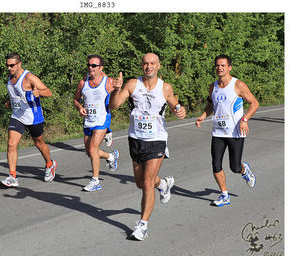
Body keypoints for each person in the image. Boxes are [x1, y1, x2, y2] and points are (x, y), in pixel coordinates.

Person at [109, 53, 186, 240]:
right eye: (145, 63)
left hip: (157, 139)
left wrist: (180, 110)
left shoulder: (165, 87)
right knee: (140, 182)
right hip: (135, 138)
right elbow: (114, 106)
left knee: (147, 183)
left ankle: (143, 224)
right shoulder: (132, 84)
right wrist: (115, 90)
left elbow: (176, 105)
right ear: (141, 65)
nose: (148, 66)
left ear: (158, 66)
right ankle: (164, 185)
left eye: (152, 63)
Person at [195, 54, 259, 207]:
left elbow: (254, 103)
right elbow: (211, 106)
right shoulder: (213, 87)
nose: (220, 68)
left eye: (223, 65)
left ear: (229, 67)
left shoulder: (238, 85)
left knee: (234, 167)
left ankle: (244, 170)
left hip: (235, 132)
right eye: (217, 65)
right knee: (216, 164)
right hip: (218, 132)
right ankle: (224, 194)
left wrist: (245, 120)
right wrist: (202, 116)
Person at [1, 52, 57, 187]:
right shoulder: (10, 77)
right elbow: (17, 93)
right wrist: (10, 102)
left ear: (19, 64)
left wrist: (39, 93)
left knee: (39, 143)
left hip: (33, 115)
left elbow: (48, 92)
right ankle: (12, 176)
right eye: (7, 65)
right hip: (17, 115)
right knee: (11, 144)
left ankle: (50, 164)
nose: (9, 68)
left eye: (12, 65)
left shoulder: (29, 77)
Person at [73, 54, 120, 192]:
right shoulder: (83, 83)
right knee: (89, 152)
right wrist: (80, 107)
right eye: (89, 65)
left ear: (101, 68)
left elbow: (116, 102)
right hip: (88, 121)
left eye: (94, 65)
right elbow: (76, 100)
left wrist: (118, 89)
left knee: (93, 149)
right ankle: (111, 156)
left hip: (102, 120)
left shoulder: (108, 82)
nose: (90, 67)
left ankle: (95, 181)